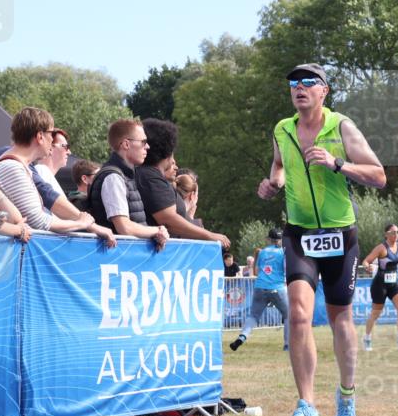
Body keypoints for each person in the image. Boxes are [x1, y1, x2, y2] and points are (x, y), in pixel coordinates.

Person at [257, 62, 386, 416]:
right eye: (293, 83)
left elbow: (379, 175)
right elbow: (279, 166)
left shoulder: (341, 127)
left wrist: (337, 163)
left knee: (339, 319)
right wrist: (273, 184)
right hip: (299, 234)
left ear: (323, 91)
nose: (299, 87)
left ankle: (347, 396)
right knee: (298, 315)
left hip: (339, 234)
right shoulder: (283, 130)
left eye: (307, 82)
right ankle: (307, 407)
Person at [0, 108, 104, 237]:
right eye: (51, 134)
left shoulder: (16, 165)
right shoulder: (12, 167)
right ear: (40, 136)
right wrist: (81, 224)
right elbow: (38, 221)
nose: (52, 140)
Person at [135, 118, 229, 248]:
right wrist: (209, 235)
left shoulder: (148, 175)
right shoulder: (150, 177)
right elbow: (169, 221)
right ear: (167, 151)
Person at [89, 119, 170, 250]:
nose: (147, 147)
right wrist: (157, 231)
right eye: (143, 142)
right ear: (126, 144)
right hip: (117, 257)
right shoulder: (113, 177)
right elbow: (124, 227)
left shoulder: (124, 175)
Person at [361, 223, 398, 352]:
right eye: (393, 232)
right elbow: (366, 261)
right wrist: (367, 266)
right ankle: (367, 338)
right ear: (386, 234)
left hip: (393, 283)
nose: (396, 234)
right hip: (380, 284)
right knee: (375, 313)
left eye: (397, 232)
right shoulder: (381, 248)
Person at [230, 227, 289, 352]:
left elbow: (257, 271)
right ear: (280, 239)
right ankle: (287, 345)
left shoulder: (262, 252)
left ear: (269, 239)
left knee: (253, 316)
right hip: (277, 288)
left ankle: (242, 337)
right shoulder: (282, 252)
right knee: (288, 316)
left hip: (260, 287)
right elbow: (287, 269)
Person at [34, 127, 70, 193]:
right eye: (66, 146)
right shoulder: (41, 170)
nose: (69, 152)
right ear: (50, 148)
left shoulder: (44, 175)